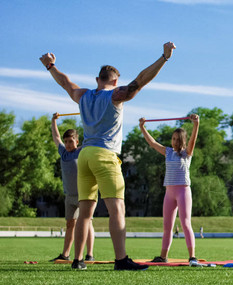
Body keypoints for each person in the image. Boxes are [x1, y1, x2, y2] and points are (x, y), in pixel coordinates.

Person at [40, 41, 176, 270]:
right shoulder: (116, 95)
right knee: (117, 209)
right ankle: (121, 260)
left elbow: (65, 83)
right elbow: (140, 81)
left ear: (97, 80)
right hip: (104, 155)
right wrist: (164, 57)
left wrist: (50, 65)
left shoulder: (82, 95)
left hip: (84, 156)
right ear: (114, 82)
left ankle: (78, 259)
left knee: (85, 213)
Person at [139, 114, 200, 266]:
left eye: (178, 139)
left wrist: (196, 124)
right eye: (173, 138)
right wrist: (142, 127)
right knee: (167, 226)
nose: (174, 141)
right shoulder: (167, 152)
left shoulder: (187, 154)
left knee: (186, 223)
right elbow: (152, 143)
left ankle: (192, 256)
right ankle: (163, 256)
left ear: (183, 141)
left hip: (183, 192)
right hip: (169, 193)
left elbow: (193, 140)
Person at [50, 113, 95, 263]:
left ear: (77, 141)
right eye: (66, 141)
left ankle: (89, 254)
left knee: (87, 223)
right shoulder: (63, 153)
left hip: (83, 194)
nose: (68, 144)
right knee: (70, 224)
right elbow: (55, 137)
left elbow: (91, 136)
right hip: (69, 196)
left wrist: (89, 117)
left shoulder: (81, 151)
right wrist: (53, 121)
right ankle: (65, 254)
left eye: (71, 141)